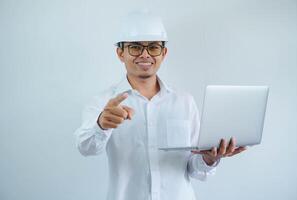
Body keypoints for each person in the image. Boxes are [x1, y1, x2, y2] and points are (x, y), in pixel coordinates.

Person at [74, 10, 246, 200]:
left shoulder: (184, 101)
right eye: (135, 47)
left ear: (163, 53)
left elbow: (194, 168)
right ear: (120, 53)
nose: (145, 55)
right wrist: (101, 125)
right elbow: (85, 147)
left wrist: (210, 158)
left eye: (154, 47)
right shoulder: (104, 101)